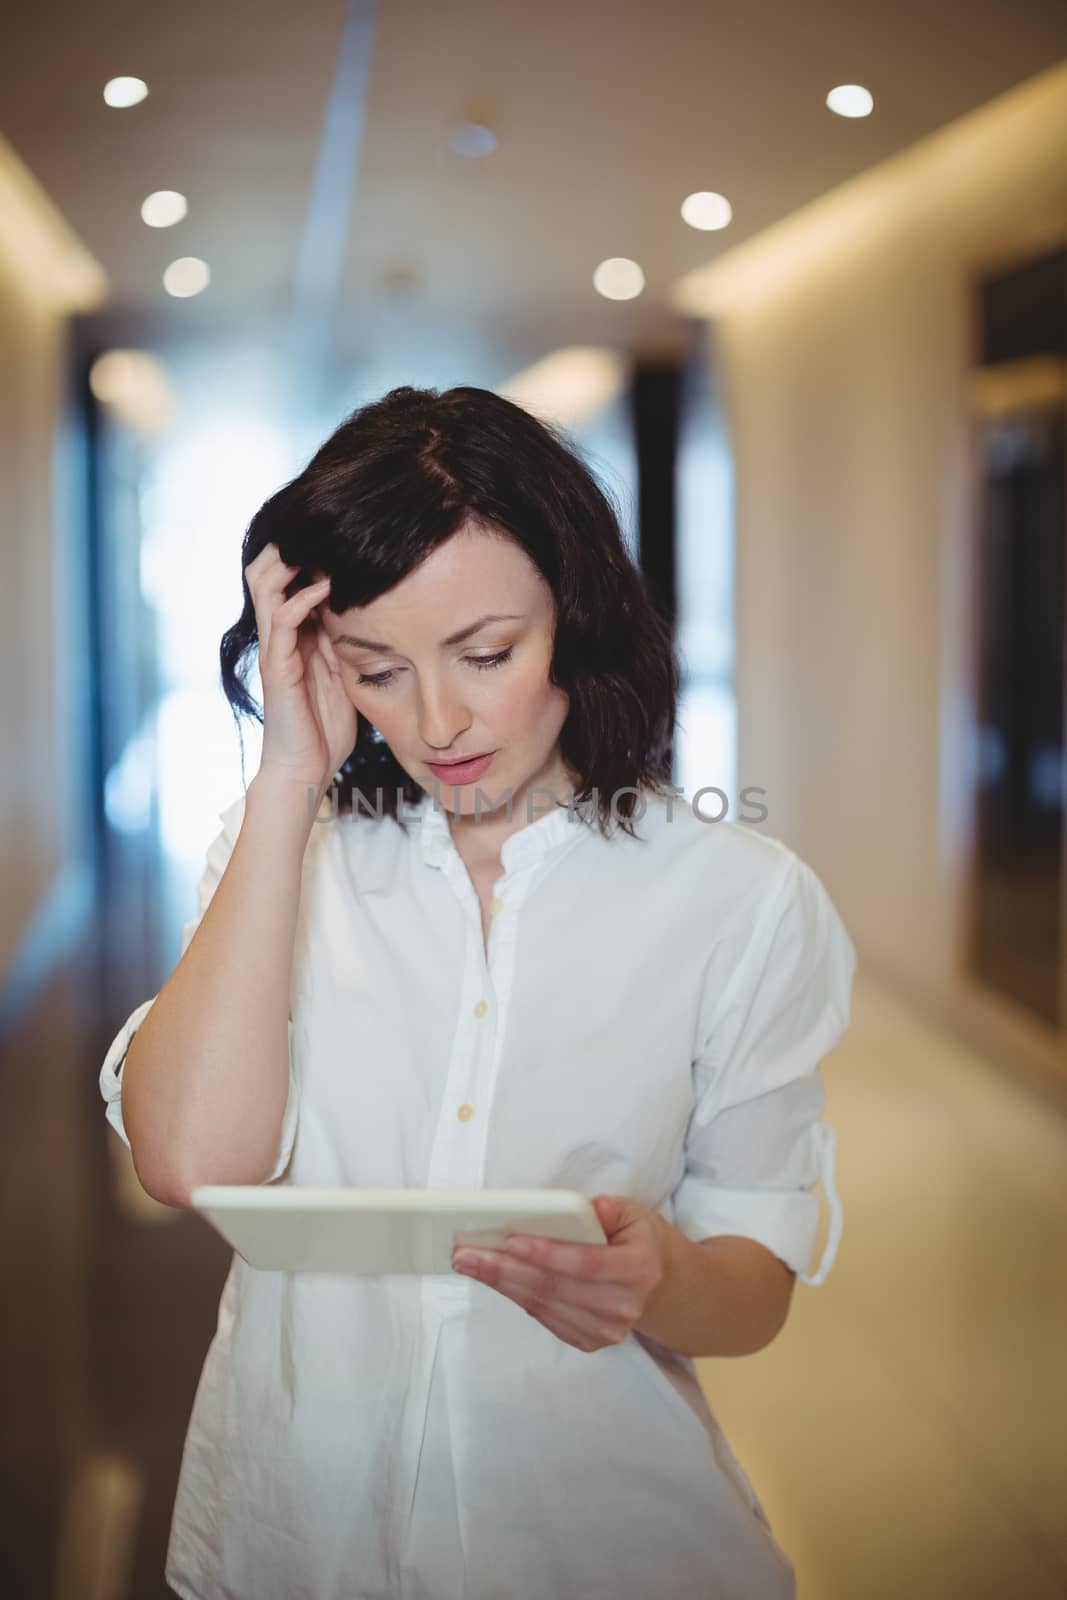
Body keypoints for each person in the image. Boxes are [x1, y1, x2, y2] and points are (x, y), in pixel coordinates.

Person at [99, 384, 858, 1600]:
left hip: (596, 1543)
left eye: (485, 655)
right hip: (295, 1537)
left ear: (577, 616)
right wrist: (290, 777)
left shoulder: (738, 901)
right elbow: (188, 1159)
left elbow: (751, 1290)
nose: (437, 720)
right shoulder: (286, 865)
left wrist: (657, 1279)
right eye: (377, 670)